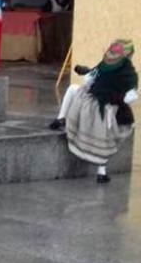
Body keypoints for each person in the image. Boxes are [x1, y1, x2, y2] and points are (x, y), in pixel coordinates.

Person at [50, 39, 137, 184]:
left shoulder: (104, 65)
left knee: (72, 89)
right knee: (106, 135)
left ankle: (61, 118)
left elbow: (88, 81)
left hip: (91, 106)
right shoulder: (130, 74)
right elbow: (130, 97)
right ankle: (101, 173)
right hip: (111, 110)